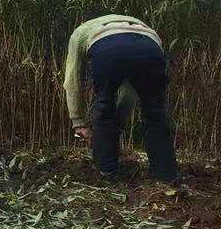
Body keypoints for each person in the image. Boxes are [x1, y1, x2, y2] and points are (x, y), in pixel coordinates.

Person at [63, 14, 179, 183]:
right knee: (155, 113)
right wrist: (120, 121)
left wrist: (78, 120)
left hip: (107, 48)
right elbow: (130, 88)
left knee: (104, 104)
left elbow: (72, 79)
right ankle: (166, 175)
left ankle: (107, 172)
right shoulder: (140, 25)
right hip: (150, 47)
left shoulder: (80, 32)